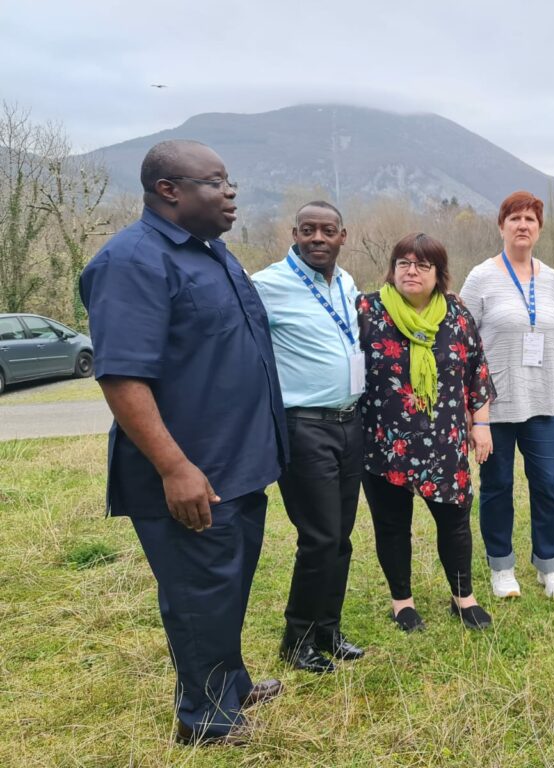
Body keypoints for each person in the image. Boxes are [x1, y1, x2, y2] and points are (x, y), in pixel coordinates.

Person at [79, 140, 288, 745]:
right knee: (199, 592)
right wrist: (174, 468)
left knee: (228, 583)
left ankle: (232, 681)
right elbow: (121, 376)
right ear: (169, 190)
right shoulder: (132, 262)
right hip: (190, 474)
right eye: (216, 182)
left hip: (239, 466)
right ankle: (205, 719)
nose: (231, 194)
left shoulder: (212, 254)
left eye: (230, 182)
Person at [357, 233, 495, 631]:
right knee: (392, 524)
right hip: (384, 443)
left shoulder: (457, 315)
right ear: (392, 269)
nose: (411, 271)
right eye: (403, 263)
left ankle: (462, 597)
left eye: (422, 264)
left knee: (454, 521)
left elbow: (477, 373)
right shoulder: (368, 310)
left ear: (439, 273)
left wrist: (480, 425)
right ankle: (402, 602)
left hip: (444, 444)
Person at [251, 201, 365, 674]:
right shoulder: (265, 285)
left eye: (328, 230)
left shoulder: (347, 283)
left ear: (343, 235)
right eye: (308, 230)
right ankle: (296, 639)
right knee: (318, 537)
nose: (318, 238)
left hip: (350, 423)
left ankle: (329, 631)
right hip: (304, 426)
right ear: (294, 233)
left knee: (341, 538)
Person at [460, 191, 554, 600]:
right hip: (496, 405)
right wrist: (474, 414)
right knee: (497, 486)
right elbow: (464, 346)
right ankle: (502, 566)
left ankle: (549, 566)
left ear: (539, 229)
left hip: (543, 402)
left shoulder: (551, 278)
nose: (522, 225)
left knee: (549, 485)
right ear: (501, 226)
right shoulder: (481, 277)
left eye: (530, 219)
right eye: (515, 218)